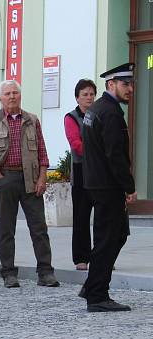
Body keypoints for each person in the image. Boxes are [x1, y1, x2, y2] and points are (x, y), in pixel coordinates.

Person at [0, 79, 58, 289]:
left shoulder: (32, 120)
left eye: (15, 92)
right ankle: (9, 273)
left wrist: (42, 177)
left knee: (39, 227)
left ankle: (46, 272)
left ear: (20, 95)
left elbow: (42, 152)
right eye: (7, 94)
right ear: (0, 98)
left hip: (30, 179)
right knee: (6, 229)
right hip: (6, 178)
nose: (12, 96)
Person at [80, 63, 136, 312]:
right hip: (107, 185)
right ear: (111, 84)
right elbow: (115, 155)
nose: (131, 89)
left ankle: (93, 285)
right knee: (107, 239)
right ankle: (97, 296)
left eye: (131, 84)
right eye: (125, 84)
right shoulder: (110, 113)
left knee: (118, 235)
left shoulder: (98, 109)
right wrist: (129, 186)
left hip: (98, 183)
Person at [64, 79, 97, 271]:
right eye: (85, 94)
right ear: (77, 98)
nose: (89, 97)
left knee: (102, 219)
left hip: (100, 172)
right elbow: (75, 143)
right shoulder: (71, 117)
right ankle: (81, 258)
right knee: (81, 218)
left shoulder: (99, 115)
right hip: (81, 170)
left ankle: (102, 256)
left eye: (92, 94)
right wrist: (99, 153)